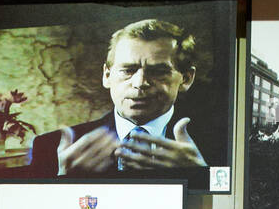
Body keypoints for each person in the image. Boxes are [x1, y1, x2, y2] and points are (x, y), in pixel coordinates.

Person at [28, 19, 206, 178]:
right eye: (128, 70)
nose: (139, 83)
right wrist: (64, 181)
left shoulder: (216, 145)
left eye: (158, 72)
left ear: (186, 78)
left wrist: (199, 175)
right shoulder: (49, 148)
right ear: (107, 75)